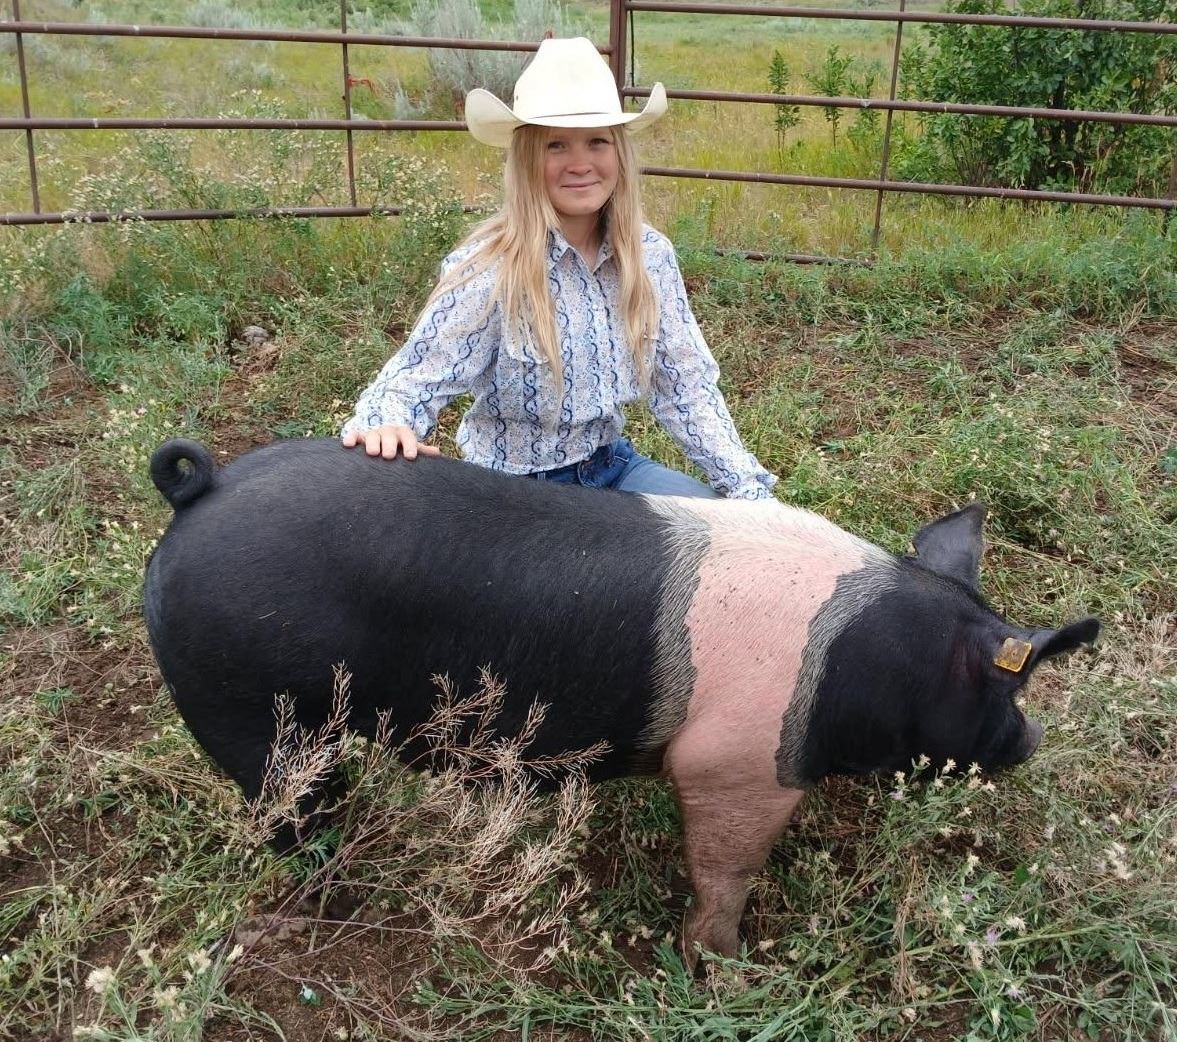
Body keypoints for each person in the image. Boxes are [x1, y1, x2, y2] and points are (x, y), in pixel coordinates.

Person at [341, 36, 777, 501]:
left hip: (613, 469)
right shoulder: (492, 270)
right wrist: (387, 423)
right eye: (556, 145)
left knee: (726, 531)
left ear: (619, 153)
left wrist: (748, 490)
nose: (580, 164)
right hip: (515, 489)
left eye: (597, 142)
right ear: (527, 158)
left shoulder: (649, 255)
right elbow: (417, 375)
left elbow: (685, 385)